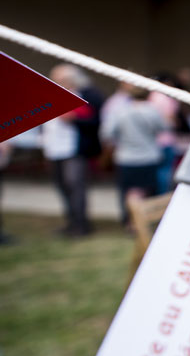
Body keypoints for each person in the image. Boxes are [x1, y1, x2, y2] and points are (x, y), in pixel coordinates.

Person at [44, 64, 102, 237]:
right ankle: (71, 222)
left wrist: (74, 119)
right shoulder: (51, 96)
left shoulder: (86, 96)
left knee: (75, 186)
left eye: (62, 80)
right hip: (54, 149)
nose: (58, 83)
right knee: (62, 186)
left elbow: (95, 122)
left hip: (75, 150)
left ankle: (81, 225)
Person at [101, 85, 167, 227]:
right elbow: (163, 128)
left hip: (126, 157)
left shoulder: (121, 111)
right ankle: (143, 221)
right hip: (149, 156)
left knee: (129, 191)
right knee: (146, 190)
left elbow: (108, 133)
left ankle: (130, 221)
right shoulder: (152, 111)